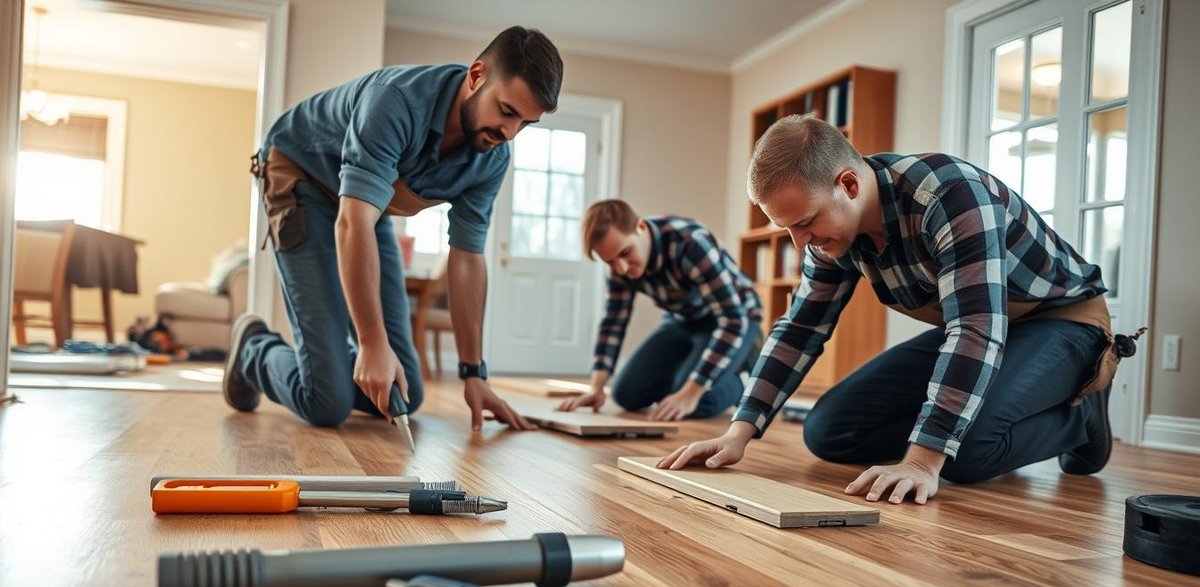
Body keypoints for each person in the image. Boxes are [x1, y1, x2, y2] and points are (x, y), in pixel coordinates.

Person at [660, 113, 1130, 504]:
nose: (799, 243)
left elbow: (975, 328)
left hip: (1062, 320)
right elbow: (799, 329)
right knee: (829, 432)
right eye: (787, 229)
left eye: (805, 223)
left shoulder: (949, 194)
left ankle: (1082, 415)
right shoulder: (829, 238)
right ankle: (963, 423)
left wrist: (923, 460)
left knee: (962, 454)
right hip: (979, 327)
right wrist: (738, 432)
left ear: (848, 184)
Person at [224, 27, 563, 432]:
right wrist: (371, 344)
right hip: (301, 177)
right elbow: (352, 221)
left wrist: (474, 373)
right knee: (326, 403)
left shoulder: (491, 158)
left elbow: (468, 257)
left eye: (526, 124)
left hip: (369, 207)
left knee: (406, 393)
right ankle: (254, 347)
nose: (509, 133)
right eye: (506, 111)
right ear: (476, 76)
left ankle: (332, 365)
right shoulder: (396, 100)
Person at [558, 200, 762, 422]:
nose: (621, 268)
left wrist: (690, 392)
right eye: (610, 262)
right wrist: (596, 389)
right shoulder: (618, 266)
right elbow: (613, 324)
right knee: (626, 395)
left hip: (736, 319)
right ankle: (686, 381)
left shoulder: (690, 243)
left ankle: (742, 378)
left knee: (697, 402)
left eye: (625, 253)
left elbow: (732, 320)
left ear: (640, 227)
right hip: (680, 320)